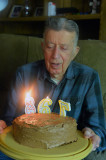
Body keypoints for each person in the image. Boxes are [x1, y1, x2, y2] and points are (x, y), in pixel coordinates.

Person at [0, 17, 106, 160]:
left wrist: (94, 134)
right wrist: (2, 126)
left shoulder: (88, 78)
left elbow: (99, 128)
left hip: (68, 152)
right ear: (43, 46)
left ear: (75, 52)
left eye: (63, 48)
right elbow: (8, 121)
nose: (55, 55)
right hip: (27, 151)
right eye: (50, 46)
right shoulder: (23, 74)